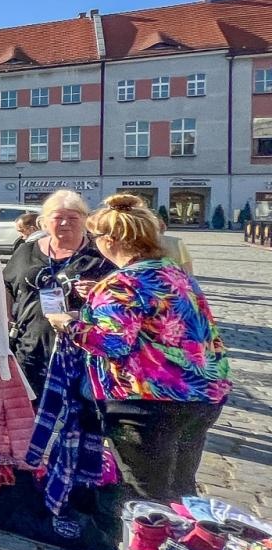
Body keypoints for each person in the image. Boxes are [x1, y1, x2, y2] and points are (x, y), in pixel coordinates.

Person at [44, 195, 230, 501]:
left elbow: (112, 343)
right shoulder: (172, 272)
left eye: (95, 237)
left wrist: (66, 323)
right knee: (181, 485)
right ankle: (185, 538)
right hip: (203, 394)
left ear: (111, 240)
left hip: (147, 400)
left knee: (144, 493)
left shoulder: (122, 283)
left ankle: (145, 545)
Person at [4, 189, 111, 398]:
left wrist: (99, 293)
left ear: (85, 220)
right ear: (44, 222)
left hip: (83, 353)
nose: (65, 223)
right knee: (29, 417)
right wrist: (6, 317)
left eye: (73, 217)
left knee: (78, 420)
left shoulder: (101, 256)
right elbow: (6, 284)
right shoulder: (27, 251)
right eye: (58, 217)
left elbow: (124, 301)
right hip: (30, 348)